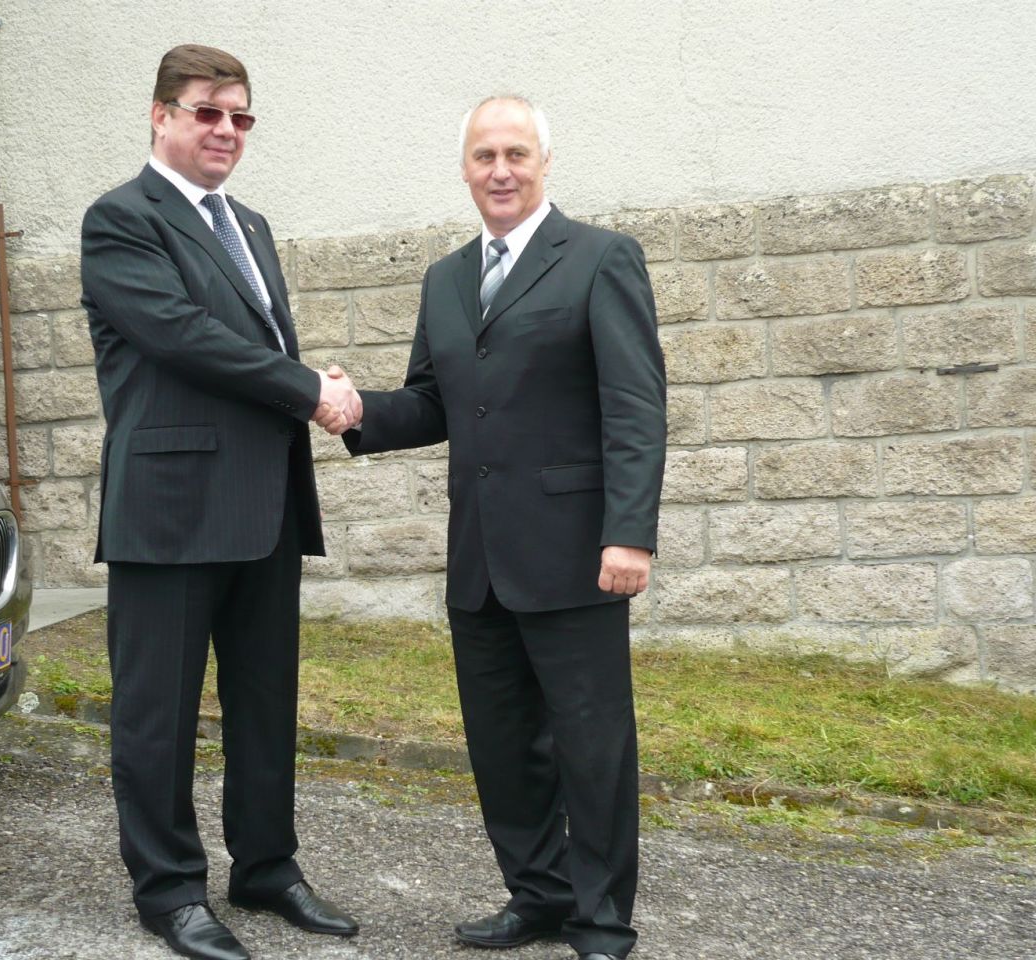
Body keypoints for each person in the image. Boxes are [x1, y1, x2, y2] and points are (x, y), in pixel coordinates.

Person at [340, 95, 667, 960]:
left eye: (516, 153)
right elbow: (433, 402)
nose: (500, 170)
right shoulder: (445, 279)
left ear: (544, 163)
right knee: (501, 745)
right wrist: (355, 411)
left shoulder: (600, 259)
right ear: (464, 169)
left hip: (576, 553)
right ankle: (539, 895)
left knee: (591, 746)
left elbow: (635, 407)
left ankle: (602, 918)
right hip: (479, 557)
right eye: (484, 155)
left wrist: (629, 533)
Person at [80, 44, 361, 960]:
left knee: (264, 702)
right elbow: (183, 335)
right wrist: (310, 389)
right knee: (157, 716)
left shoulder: (252, 225)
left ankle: (267, 867)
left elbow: (253, 344)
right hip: (169, 508)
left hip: (265, 504)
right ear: (160, 114)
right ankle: (168, 892)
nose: (226, 130)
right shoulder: (121, 220)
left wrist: (311, 389)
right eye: (207, 111)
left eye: (241, 117)